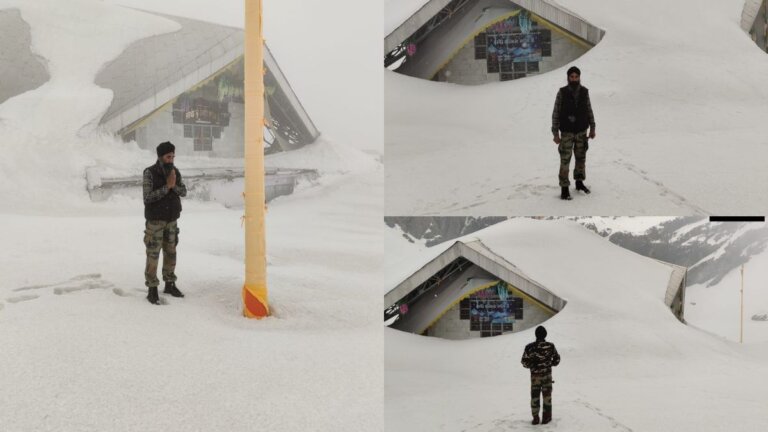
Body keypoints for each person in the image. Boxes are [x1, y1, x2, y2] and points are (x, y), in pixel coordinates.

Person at [142, 141, 187, 305]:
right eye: (168, 156)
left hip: (171, 220)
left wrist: (173, 186)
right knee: (153, 255)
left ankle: (170, 283)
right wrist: (166, 187)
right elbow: (147, 198)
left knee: (171, 252)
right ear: (160, 156)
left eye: (173, 156)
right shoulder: (149, 173)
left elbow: (184, 191)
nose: (171, 159)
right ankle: (152, 289)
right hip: (155, 222)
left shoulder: (175, 172)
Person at [551, 66, 596, 200]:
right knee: (565, 160)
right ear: (568, 78)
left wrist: (592, 128)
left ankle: (579, 182)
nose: (574, 79)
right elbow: (556, 113)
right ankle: (564, 188)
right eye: (572, 77)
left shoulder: (584, 92)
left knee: (581, 158)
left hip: (582, 131)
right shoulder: (562, 92)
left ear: (579, 77)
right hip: (567, 132)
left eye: (576, 77)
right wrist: (555, 133)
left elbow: (589, 110)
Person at [521, 325, 561, 425]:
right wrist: (548, 364)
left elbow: (524, 362)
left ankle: (535, 418)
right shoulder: (550, 346)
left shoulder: (529, 347)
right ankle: (546, 418)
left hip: (535, 377)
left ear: (536, 335)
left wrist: (533, 366)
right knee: (547, 397)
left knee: (535, 397)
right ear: (545, 335)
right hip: (547, 376)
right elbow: (557, 360)